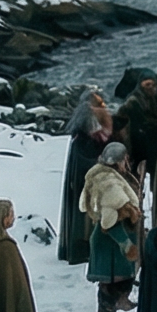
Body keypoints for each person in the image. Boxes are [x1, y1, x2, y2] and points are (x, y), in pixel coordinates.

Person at [81, 141, 141, 312]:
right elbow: (110, 220)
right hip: (111, 244)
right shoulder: (110, 184)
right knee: (109, 287)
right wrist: (126, 245)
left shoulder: (107, 176)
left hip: (110, 244)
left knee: (112, 285)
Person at [58, 91, 110, 267]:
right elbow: (95, 143)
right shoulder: (88, 119)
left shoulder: (81, 127)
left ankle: (80, 247)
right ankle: (82, 250)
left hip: (82, 171)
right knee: (83, 212)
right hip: (84, 174)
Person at [117, 76, 157, 184]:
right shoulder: (133, 102)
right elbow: (121, 117)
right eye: (147, 85)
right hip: (139, 141)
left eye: (153, 85)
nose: (151, 87)